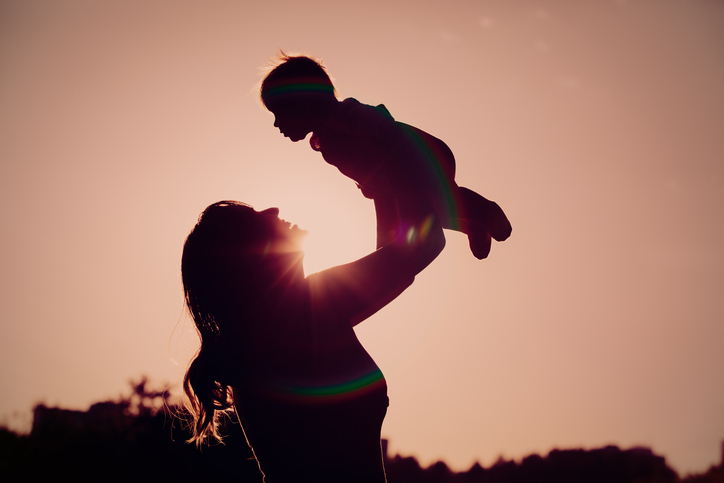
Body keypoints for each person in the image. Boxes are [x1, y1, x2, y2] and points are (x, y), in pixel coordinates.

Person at [181, 186, 445, 480]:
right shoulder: (308, 308)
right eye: (255, 217)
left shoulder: (284, 323)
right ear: (251, 255)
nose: (273, 211)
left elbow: (394, 270)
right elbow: (422, 245)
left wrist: (382, 189)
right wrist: (397, 162)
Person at [260, 53, 512, 259]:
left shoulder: (345, 115)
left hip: (419, 158)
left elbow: (386, 130)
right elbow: (365, 167)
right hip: (392, 185)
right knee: (417, 224)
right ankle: (473, 225)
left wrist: (413, 169)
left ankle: (486, 211)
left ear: (303, 104)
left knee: (434, 203)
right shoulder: (325, 139)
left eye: (278, 113)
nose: (276, 124)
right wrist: (371, 190)